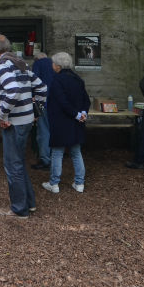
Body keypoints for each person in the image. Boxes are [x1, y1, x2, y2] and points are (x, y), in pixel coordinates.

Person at [0, 34, 47, 219]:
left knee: (12, 166)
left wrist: (3, 115)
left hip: (14, 123)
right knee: (19, 163)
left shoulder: (4, 65)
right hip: (27, 120)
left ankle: (18, 209)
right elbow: (42, 88)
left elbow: (12, 91)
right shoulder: (21, 63)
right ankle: (29, 204)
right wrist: (36, 110)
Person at [41, 52, 90, 193]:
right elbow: (86, 100)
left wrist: (75, 114)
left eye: (53, 63)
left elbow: (62, 102)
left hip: (61, 121)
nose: (52, 66)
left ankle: (54, 183)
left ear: (58, 66)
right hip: (76, 122)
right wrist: (82, 113)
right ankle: (79, 183)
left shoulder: (57, 81)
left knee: (57, 153)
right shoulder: (78, 79)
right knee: (76, 152)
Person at [30, 52, 55, 170]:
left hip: (43, 102)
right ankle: (56, 158)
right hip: (56, 102)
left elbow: (33, 82)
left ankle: (45, 160)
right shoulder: (55, 64)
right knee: (53, 129)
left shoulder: (38, 64)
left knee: (43, 131)